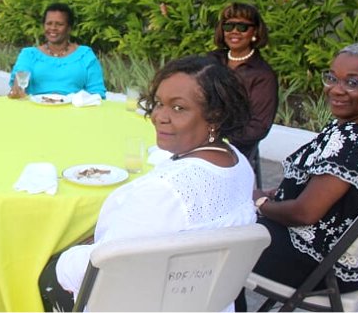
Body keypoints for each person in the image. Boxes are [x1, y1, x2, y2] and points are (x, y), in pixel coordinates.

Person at [39, 56, 256, 312]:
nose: (159, 116)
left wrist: (65, 258)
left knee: (42, 271)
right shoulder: (238, 163)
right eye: (159, 104)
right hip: (204, 301)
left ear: (214, 115)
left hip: (142, 302)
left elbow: (103, 269)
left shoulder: (165, 191)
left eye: (178, 108)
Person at [235, 43, 358, 310]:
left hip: (318, 263)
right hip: (339, 255)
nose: (336, 89)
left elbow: (305, 213)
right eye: (332, 78)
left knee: (218, 239)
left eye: (352, 82)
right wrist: (273, 196)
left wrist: (260, 205)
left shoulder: (356, 142)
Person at [207, 3, 278, 162]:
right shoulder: (212, 60)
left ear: (255, 32)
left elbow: (258, 127)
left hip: (234, 149)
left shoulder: (262, 75)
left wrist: (217, 138)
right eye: (229, 25)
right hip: (199, 138)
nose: (234, 31)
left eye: (242, 27)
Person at [9, 3, 106, 99]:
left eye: (59, 24)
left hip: (75, 111)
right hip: (37, 110)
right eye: (49, 23)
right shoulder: (29, 54)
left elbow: (97, 93)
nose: (53, 28)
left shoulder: (85, 55)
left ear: (69, 28)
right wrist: (17, 88)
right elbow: (20, 77)